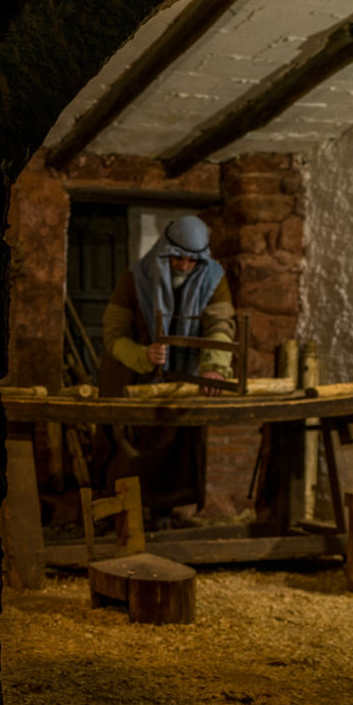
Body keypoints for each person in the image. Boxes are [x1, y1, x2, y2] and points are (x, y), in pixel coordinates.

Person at [94, 214, 235, 522]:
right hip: (130, 378)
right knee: (127, 454)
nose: (184, 266)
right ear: (163, 251)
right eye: (177, 258)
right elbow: (113, 334)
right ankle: (123, 518)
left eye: (191, 261)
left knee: (178, 451)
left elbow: (220, 325)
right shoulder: (134, 278)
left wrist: (214, 366)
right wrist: (144, 355)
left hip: (179, 383)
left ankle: (166, 514)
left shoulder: (213, 279)